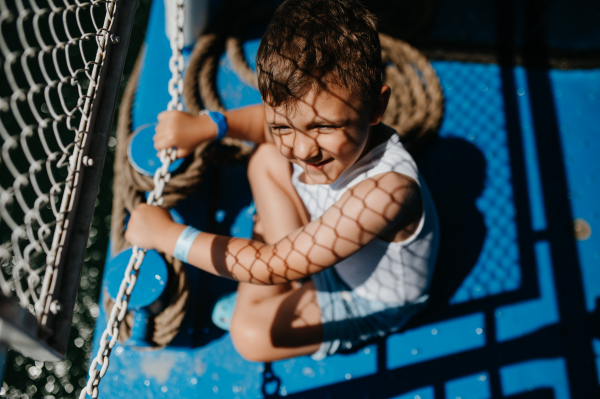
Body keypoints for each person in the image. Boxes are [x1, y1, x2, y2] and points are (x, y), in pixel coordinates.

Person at [125, 0, 439, 362]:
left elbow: (271, 265)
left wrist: (166, 235)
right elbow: (265, 123)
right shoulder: (309, 137)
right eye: (284, 127)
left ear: (375, 108)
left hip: (367, 295)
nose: (303, 149)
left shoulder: (389, 192)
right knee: (266, 158)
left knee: (251, 334)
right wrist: (210, 126)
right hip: (328, 246)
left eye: (324, 126)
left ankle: (286, 287)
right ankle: (295, 274)